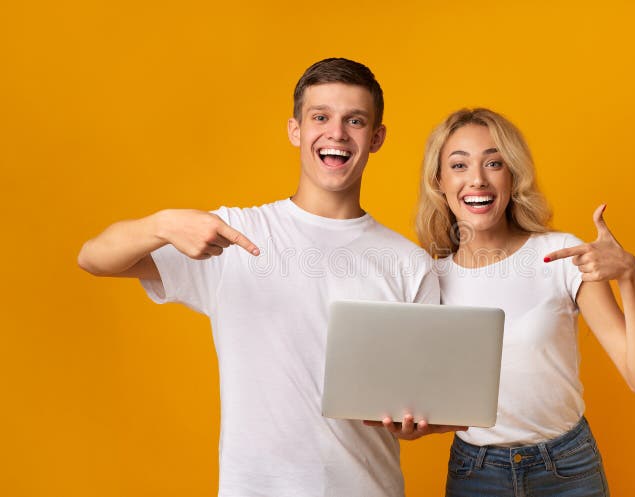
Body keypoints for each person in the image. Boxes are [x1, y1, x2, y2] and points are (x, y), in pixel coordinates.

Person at [78, 58, 457, 497]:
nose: (336, 133)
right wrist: (161, 224)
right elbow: (94, 257)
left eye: (354, 120)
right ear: (295, 130)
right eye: (320, 117)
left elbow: (427, 400)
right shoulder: (233, 233)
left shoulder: (408, 263)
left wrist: (416, 424)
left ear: (376, 138)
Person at [414, 108, 635, 497]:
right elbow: (420, 400)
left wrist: (631, 275)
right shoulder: (430, 278)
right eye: (459, 165)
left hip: (568, 468)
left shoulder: (560, 255)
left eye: (494, 163)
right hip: (476, 474)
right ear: (439, 181)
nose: (477, 179)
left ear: (513, 176)